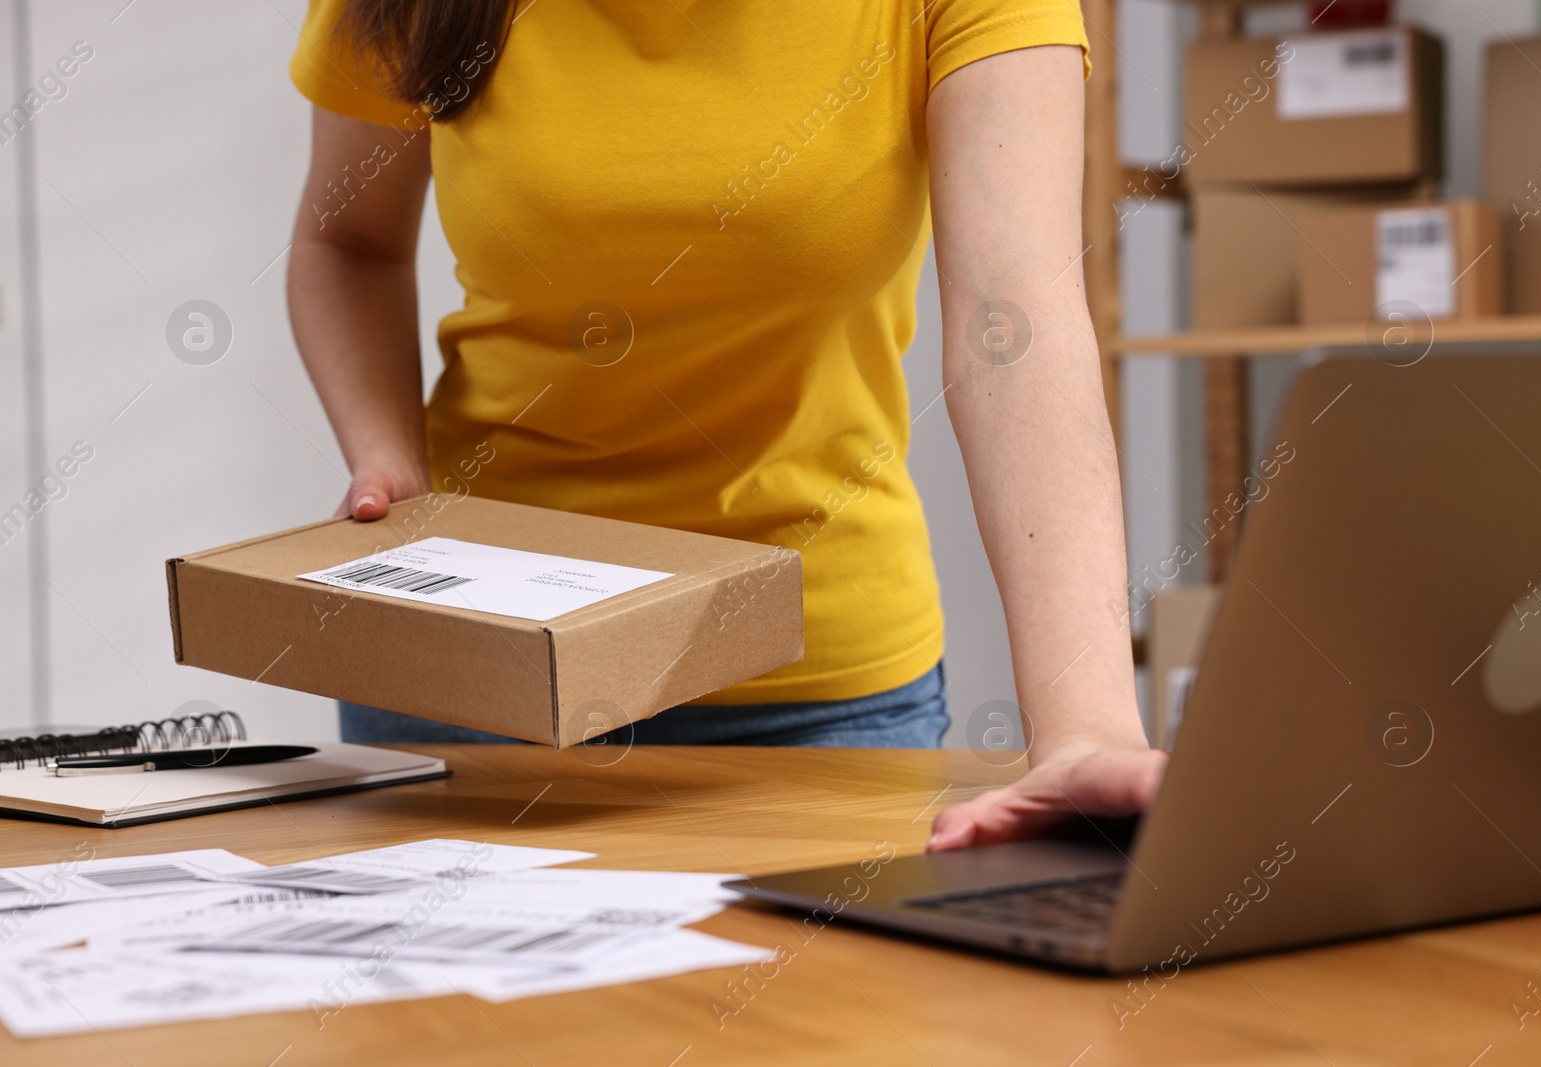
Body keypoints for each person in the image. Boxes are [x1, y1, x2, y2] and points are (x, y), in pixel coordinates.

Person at [285, 0, 1166, 851]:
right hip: (476, 659)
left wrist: (1085, 724)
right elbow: (348, 241)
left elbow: (1014, 328)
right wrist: (388, 457)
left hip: (813, 691)